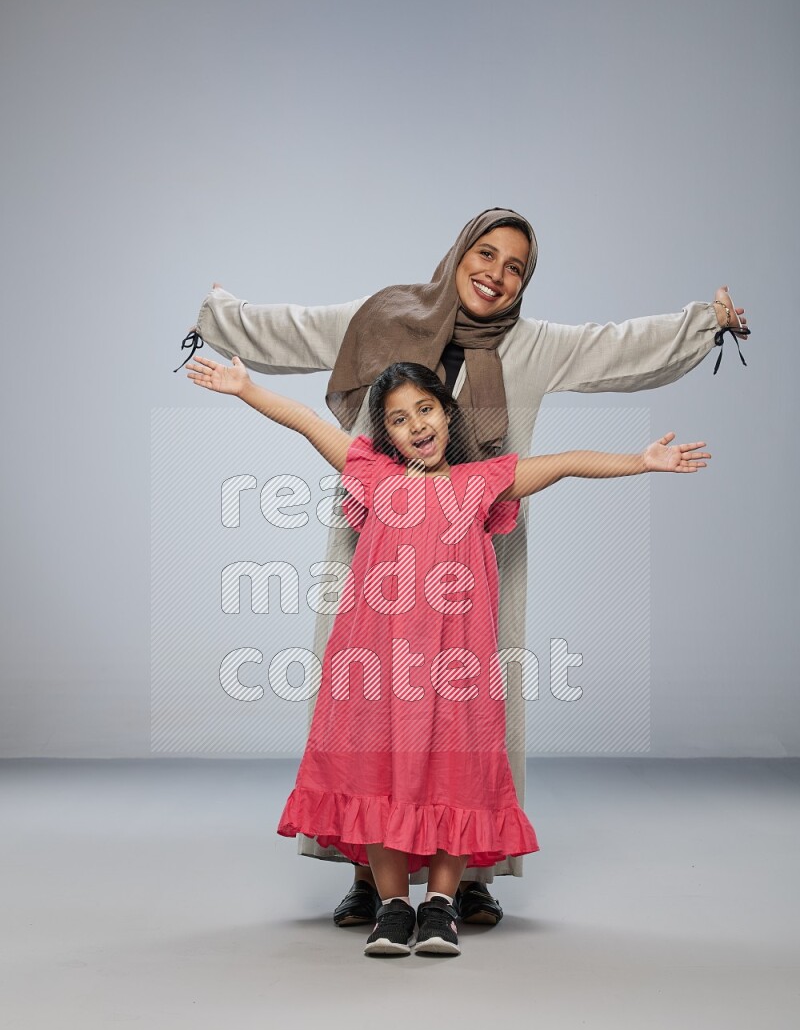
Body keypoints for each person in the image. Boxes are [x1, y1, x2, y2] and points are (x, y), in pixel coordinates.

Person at [184, 207, 748, 930]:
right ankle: (369, 874)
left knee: (472, 711)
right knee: (366, 711)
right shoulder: (383, 316)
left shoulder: (534, 344)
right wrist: (222, 316)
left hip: (478, 546)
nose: (497, 274)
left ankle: (470, 874)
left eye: (516, 267)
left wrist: (705, 324)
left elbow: (617, 350)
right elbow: (291, 335)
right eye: (486, 254)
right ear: (457, 254)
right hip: (375, 539)